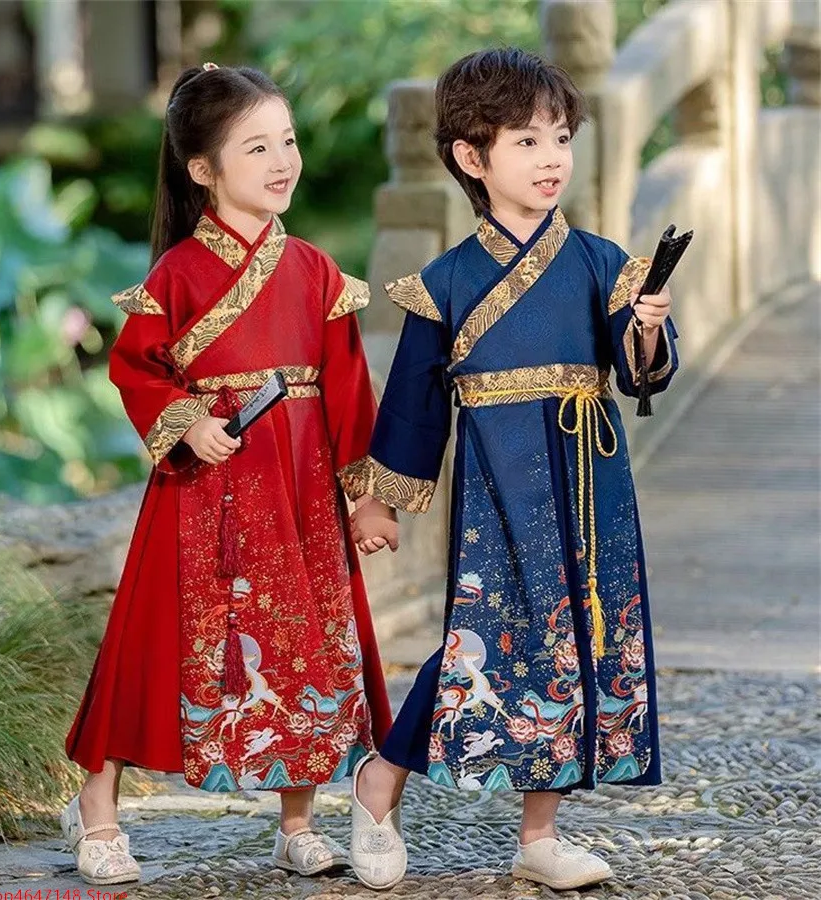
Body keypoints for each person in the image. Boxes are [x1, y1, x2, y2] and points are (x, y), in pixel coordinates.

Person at [345, 47, 679, 892]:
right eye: (527, 141)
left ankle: (540, 834)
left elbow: (642, 374)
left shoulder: (604, 263)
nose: (552, 158)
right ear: (471, 156)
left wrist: (645, 328)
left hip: (591, 483)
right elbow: (415, 403)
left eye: (561, 138)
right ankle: (381, 778)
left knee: (577, 647)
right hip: (498, 485)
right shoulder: (445, 283)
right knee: (484, 647)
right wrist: (382, 500)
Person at [61, 62, 392, 886]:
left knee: (306, 645)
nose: (283, 160)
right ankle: (98, 811)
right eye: (256, 148)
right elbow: (138, 369)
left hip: (299, 491)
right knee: (152, 643)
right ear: (203, 170)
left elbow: (349, 388)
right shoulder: (176, 275)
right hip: (204, 485)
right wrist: (188, 421)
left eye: (287, 141)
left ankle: (297, 820)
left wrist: (369, 498)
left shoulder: (315, 270)